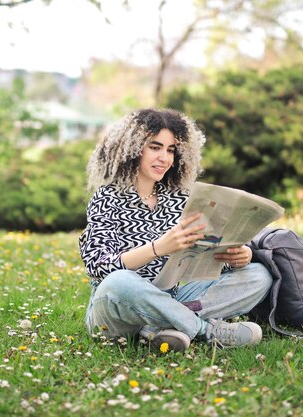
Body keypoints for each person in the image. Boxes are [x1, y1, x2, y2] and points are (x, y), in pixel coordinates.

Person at [79, 108, 273, 352]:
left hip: (170, 296)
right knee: (120, 281)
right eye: (155, 147)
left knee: (258, 275)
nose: (165, 158)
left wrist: (234, 258)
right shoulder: (107, 197)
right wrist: (158, 248)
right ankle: (206, 331)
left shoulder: (179, 198)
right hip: (116, 308)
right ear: (131, 148)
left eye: (171, 150)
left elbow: (196, 259)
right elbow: (99, 267)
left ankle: (159, 327)